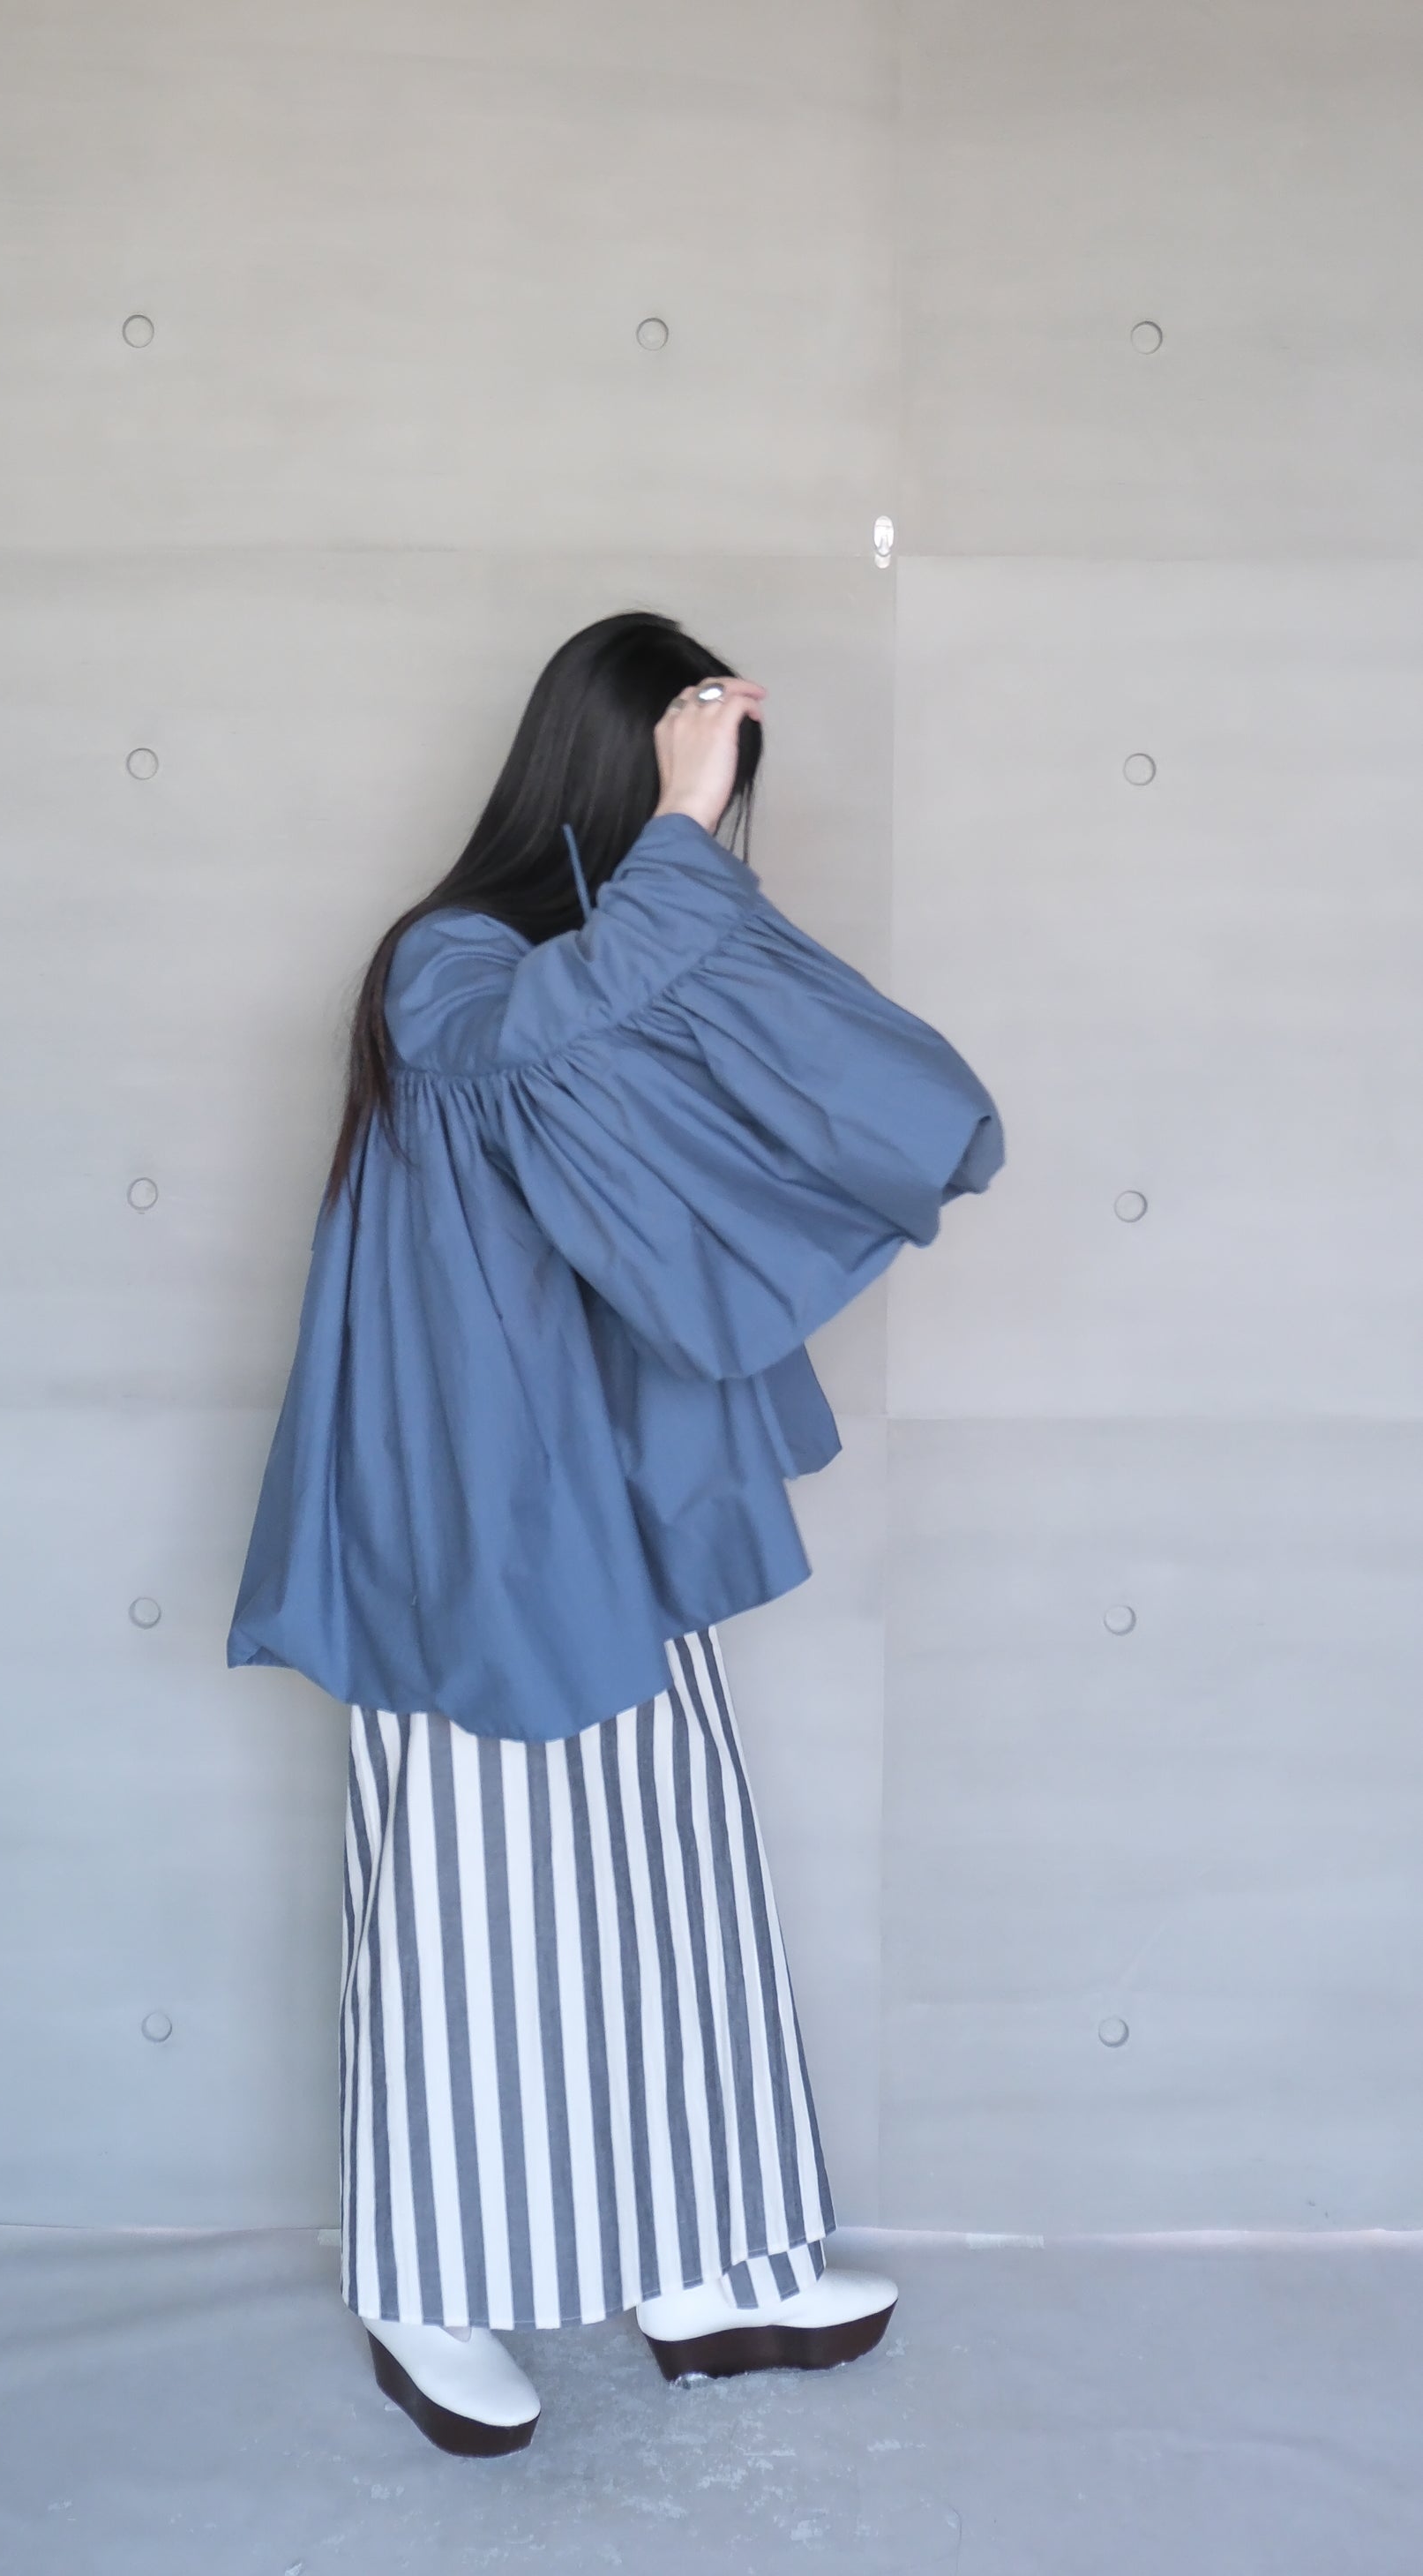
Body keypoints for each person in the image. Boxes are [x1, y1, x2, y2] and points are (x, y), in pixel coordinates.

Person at [227, 611, 1005, 2455]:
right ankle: (427, 2284)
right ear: (609, 775)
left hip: (606, 1499)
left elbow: (746, 1078)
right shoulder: (447, 966)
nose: (714, 841)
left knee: (665, 1874)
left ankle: (704, 2260)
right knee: (472, 1902)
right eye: (690, 802)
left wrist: (677, 860)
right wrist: (674, 830)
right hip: (466, 1523)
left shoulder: (601, 956)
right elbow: (532, 1056)